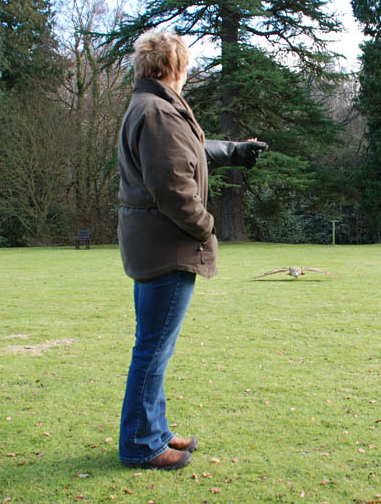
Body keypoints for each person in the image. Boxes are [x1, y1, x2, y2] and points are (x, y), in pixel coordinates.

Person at [116, 30, 267, 470]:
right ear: (175, 67)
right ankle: (142, 445)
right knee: (153, 349)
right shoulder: (159, 112)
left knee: (154, 346)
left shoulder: (150, 105)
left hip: (151, 245)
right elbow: (172, 185)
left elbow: (189, 153)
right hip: (167, 246)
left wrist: (234, 151)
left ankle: (155, 431)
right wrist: (206, 227)